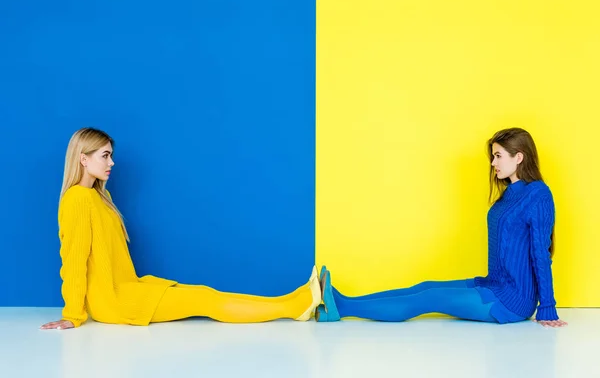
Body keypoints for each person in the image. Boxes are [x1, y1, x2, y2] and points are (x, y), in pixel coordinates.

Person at [41, 127, 321, 330]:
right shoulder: (78, 199)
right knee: (207, 301)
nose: (111, 162)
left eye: (111, 155)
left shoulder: (101, 197)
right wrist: (73, 314)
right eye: (105, 155)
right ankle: (294, 307)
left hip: (130, 289)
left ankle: (294, 300)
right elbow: (73, 260)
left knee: (206, 295)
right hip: (117, 301)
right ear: (83, 158)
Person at [316, 128, 568, 328]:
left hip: (512, 301)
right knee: (425, 287)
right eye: (493, 156)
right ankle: (341, 301)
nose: (493, 162)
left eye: (498, 156)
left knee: (428, 299)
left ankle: (342, 309)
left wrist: (547, 306)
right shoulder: (508, 195)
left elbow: (540, 254)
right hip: (494, 285)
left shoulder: (538, 194)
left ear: (519, 157)